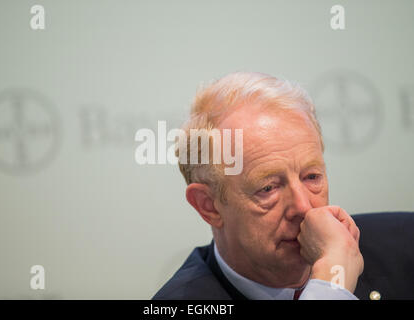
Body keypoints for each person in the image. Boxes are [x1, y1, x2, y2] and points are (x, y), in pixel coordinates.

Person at [153, 72, 364, 300]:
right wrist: (332, 285)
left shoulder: (401, 249)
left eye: (311, 177)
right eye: (268, 188)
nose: (304, 208)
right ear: (209, 206)